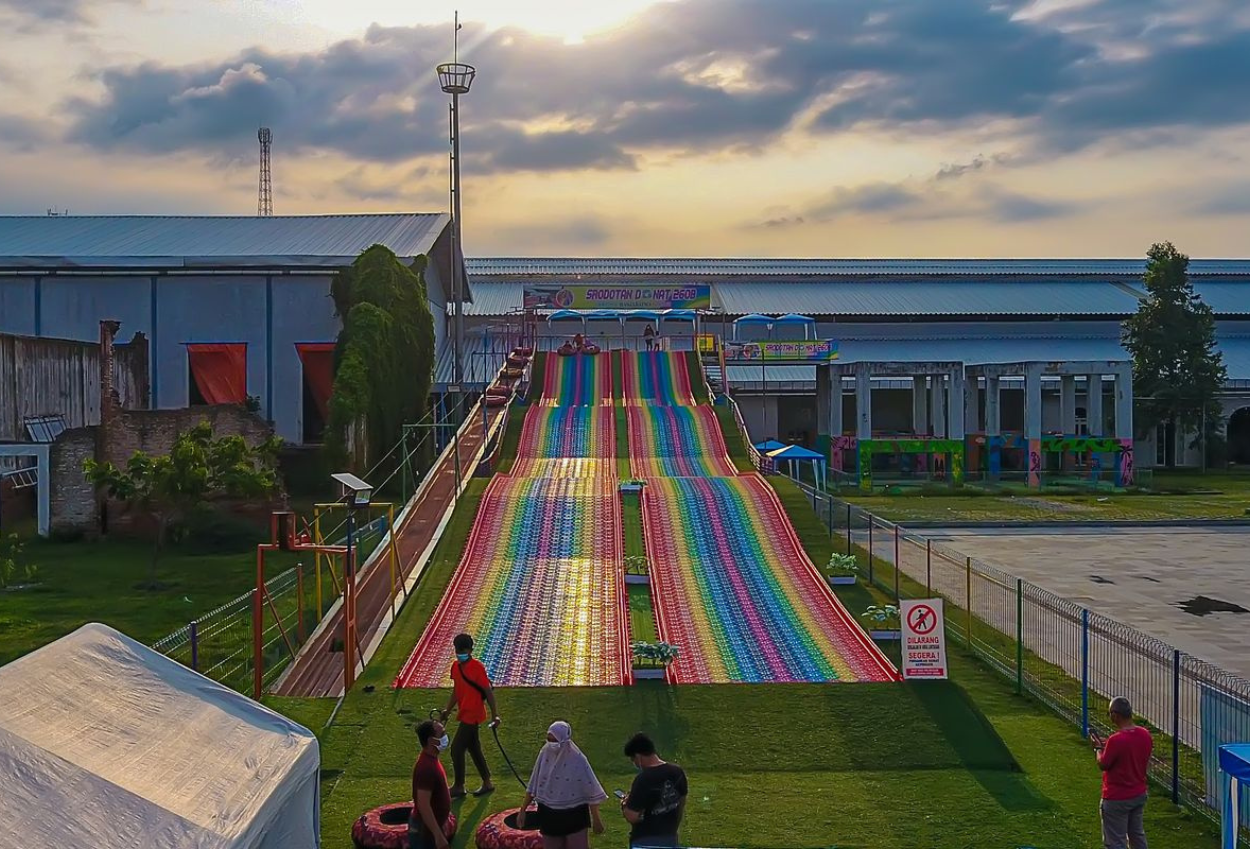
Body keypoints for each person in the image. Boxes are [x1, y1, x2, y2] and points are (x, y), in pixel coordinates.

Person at [518, 721, 607, 849]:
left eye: (555, 740)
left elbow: (590, 790)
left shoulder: (578, 760)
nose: (551, 744)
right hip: (549, 815)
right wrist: (523, 810)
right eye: (549, 740)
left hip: (574, 815)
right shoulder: (544, 754)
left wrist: (596, 819)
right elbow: (534, 783)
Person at [439, 633, 499, 798]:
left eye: (462, 650)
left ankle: (459, 786)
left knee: (456, 749)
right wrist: (447, 710)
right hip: (464, 713)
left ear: (470, 650)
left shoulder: (477, 667)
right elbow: (457, 692)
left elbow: (488, 692)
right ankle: (487, 782)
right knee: (473, 748)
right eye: (457, 650)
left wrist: (495, 716)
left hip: (473, 715)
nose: (459, 653)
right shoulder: (455, 667)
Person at [1092, 696, 1152, 849]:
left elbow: (1103, 763)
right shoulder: (1144, 734)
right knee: (1137, 836)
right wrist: (1108, 744)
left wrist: (1098, 749)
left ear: (1115, 715)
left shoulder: (1116, 741)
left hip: (1117, 798)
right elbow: (1131, 750)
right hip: (1138, 793)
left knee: (1116, 841)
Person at [620, 733, 687, 849]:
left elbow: (632, 816)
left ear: (638, 756)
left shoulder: (643, 779)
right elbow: (681, 803)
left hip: (644, 841)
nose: (634, 763)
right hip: (669, 838)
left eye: (633, 759)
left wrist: (624, 805)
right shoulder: (677, 772)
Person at [410, 719, 452, 849]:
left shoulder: (431, 759)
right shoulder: (426, 768)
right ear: (431, 741)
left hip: (429, 830)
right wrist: (438, 835)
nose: (446, 737)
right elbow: (423, 805)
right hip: (425, 833)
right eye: (442, 734)